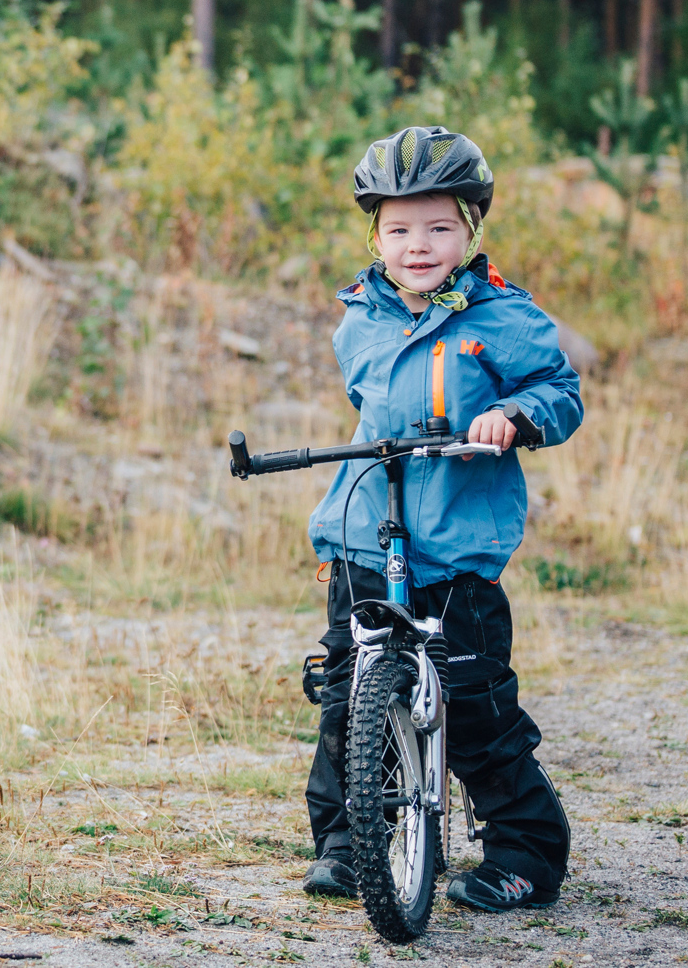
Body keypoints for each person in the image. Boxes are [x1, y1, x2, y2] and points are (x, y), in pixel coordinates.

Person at [298, 125, 581, 913]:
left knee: (475, 699)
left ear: (469, 230)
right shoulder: (359, 316)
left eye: (436, 227)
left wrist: (512, 416)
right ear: (374, 235)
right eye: (397, 229)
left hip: (456, 545)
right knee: (348, 692)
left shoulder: (503, 318)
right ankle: (349, 843)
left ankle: (523, 852)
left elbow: (560, 394)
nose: (416, 244)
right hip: (364, 531)